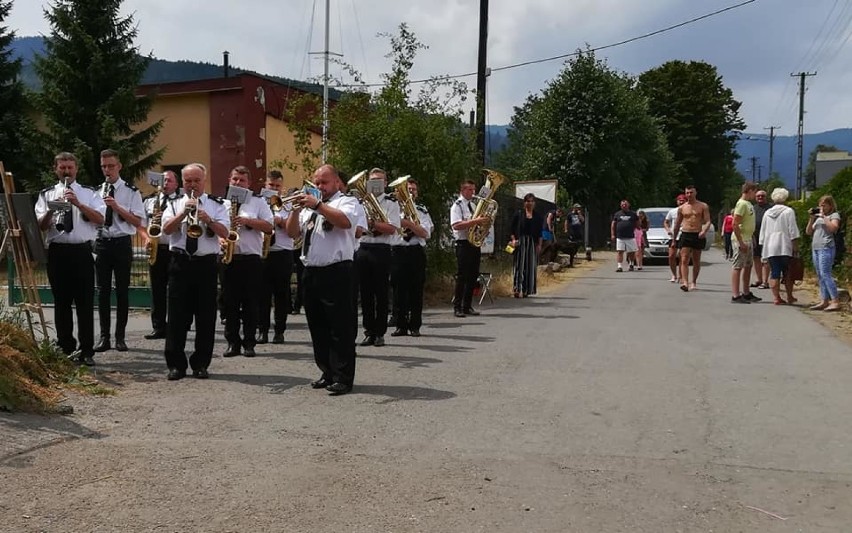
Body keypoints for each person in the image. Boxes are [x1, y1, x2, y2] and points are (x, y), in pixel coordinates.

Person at [285, 164, 360, 396]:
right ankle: (327, 371)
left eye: (324, 182)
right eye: (316, 183)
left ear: (337, 182)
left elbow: (345, 222)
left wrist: (318, 205)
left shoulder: (347, 201)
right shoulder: (309, 206)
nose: (319, 187)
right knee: (318, 327)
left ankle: (343, 377)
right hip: (311, 271)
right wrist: (295, 210)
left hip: (337, 271)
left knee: (341, 327)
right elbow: (292, 233)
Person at [35, 152, 106, 366]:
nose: (66, 171)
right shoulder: (47, 193)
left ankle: (86, 351)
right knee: (61, 302)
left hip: (81, 252)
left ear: (76, 169)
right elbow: (41, 225)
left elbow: (101, 219)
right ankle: (66, 347)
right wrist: (51, 209)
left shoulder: (89, 193)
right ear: (55, 169)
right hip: (58, 252)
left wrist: (78, 203)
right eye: (62, 168)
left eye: (70, 167)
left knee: (84, 303)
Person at [161, 163, 230, 380]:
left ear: (204, 181)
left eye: (196, 181)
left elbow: (225, 232)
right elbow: (166, 230)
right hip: (180, 262)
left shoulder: (218, 205)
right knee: (176, 317)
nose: (192, 185)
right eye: (188, 181)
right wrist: (184, 214)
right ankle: (176, 365)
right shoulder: (173, 204)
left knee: (206, 317)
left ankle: (201, 364)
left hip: (206, 264)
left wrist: (207, 219)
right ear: (183, 182)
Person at [93, 149, 145, 353]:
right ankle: (104, 337)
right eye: (104, 166)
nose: (107, 170)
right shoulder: (97, 191)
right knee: (102, 292)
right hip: (102, 242)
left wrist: (116, 207)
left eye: (111, 166)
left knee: (122, 291)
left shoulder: (131, 192)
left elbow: (137, 221)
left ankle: (120, 337)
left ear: (119, 166)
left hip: (122, 242)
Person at [221, 166, 274, 358]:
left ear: (249, 183)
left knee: (251, 302)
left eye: (242, 180)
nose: (237, 183)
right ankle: (232, 343)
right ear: (229, 180)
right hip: (230, 256)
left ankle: (249, 343)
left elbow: (269, 226)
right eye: (234, 179)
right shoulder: (222, 202)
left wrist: (247, 221)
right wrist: (221, 238)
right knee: (230, 303)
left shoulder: (258, 202)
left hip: (251, 259)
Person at [355, 168, 401, 347]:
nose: (375, 183)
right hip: (363, 246)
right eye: (372, 180)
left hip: (381, 248)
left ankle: (380, 332)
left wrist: (373, 223)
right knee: (365, 293)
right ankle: (368, 331)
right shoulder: (360, 202)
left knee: (381, 293)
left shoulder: (391, 202)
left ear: (386, 183)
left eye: (379, 180)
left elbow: (392, 228)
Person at [390, 178, 433, 336]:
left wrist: (408, 224)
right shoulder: (392, 209)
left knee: (416, 290)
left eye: (413, 190)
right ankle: (400, 325)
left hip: (415, 251)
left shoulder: (421, 210)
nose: (410, 192)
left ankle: (415, 325)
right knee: (399, 290)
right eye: (407, 189)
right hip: (398, 250)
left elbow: (425, 233)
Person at [257, 170, 294, 345]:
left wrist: (280, 221)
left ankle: (279, 331)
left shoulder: (287, 205)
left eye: (277, 186)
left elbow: (294, 230)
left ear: (282, 187)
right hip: (263, 253)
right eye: (271, 185)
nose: (274, 188)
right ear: (265, 185)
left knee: (281, 294)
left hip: (282, 252)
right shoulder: (257, 203)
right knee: (262, 294)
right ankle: (262, 330)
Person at [142, 170, 179, 340]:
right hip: (156, 248)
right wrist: (146, 238)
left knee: (175, 290)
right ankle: (158, 327)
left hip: (173, 249)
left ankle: (176, 325)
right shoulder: (149, 201)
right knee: (157, 290)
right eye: (163, 180)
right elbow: (141, 223)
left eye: (169, 180)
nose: (165, 183)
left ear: (176, 184)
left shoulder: (180, 202)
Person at [450, 180, 490, 317]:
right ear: (463, 191)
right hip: (463, 244)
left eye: (474, 190)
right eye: (470, 190)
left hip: (474, 244)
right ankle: (457, 307)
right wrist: (476, 222)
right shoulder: (457, 206)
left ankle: (467, 306)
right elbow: (456, 225)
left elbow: (476, 225)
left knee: (473, 276)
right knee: (462, 276)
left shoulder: (473, 205)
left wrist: (483, 228)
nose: (473, 193)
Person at [759, 188, 800, 305]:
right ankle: (789, 296)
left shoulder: (767, 213)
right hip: (784, 245)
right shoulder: (788, 211)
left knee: (774, 272)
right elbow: (793, 230)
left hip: (770, 246)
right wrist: (795, 246)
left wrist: (763, 246)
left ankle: (776, 297)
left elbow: (763, 231)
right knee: (788, 272)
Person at [805, 195, 842, 311]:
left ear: (830, 205)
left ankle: (835, 301)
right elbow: (808, 232)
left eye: (824, 205)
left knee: (826, 274)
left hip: (826, 247)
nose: (821, 207)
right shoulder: (818, 218)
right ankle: (824, 300)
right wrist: (811, 218)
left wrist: (824, 217)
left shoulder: (833, 215)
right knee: (820, 275)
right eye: (820, 205)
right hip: (816, 248)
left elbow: (833, 228)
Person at [672, 186, 712, 291]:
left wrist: (704, 231)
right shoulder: (682, 208)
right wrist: (673, 239)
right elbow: (677, 224)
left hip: (697, 234)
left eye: (691, 192)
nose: (689, 195)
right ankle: (685, 282)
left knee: (696, 260)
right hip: (686, 233)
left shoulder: (703, 206)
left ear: (695, 193)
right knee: (684, 259)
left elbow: (708, 221)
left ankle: (693, 281)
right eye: (687, 193)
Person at [730, 182, 761, 304]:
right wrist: (741, 242)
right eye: (754, 191)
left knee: (748, 266)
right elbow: (735, 223)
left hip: (748, 237)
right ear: (749, 191)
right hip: (741, 239)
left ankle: (746, 292)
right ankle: (735, 295)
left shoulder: (748, 204)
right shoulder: (741, 204)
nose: (755, 194)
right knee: (738, 266)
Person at [509, 193, 543, 297]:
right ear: (524, 203)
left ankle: (526, 290)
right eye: (528, 201)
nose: (530, 203)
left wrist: (539, 245)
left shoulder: (537, 216)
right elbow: (511, 229)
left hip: (532, 242)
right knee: (519, 265)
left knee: (530, 266)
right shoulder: (519, 214)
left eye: (532, 201)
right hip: (520, 241)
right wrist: (513, 240)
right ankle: (517, 288)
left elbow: (540, 232)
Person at [611, 199, 639, 272]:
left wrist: (638, 230)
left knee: (631, 252)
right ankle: (619, 266)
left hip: (630, 236)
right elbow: (613, 224)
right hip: (620, 237)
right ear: (620, 206)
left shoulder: (633, 214)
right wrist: (613, 234)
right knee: (620, 251)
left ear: (628, 205)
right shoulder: (617, 214)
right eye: (622, 205)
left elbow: (637, 223)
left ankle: (631, 264)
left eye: (625, 204)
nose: (624, 206)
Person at [664, 194, 686, 283]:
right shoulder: (672, 211)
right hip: (673, 236)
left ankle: (681, 276)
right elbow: (666, 222)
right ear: (677, 201)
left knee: (682, 257)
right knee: (671, 256)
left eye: (683, 200)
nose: (681, 202)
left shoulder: (688, 210)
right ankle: (674, 275)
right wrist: (668, 229)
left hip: (683, 235)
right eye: (679, 200)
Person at [751, 189, 771, 289]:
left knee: (765, 259)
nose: (760, 198)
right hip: (755, 236)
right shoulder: (753, 208)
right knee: (756, 258)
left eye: (762, 196)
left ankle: (765, 281)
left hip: (767, 237)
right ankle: (758, 279)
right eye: (758, 196)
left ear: (766, 197)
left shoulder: (770, 208)